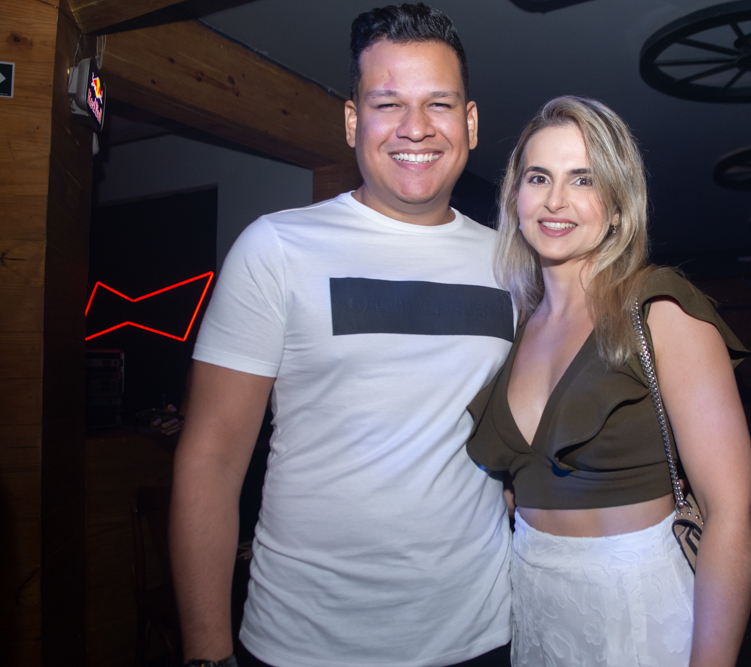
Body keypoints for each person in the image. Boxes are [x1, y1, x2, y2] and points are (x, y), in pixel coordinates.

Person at [169, 5, 515, 667]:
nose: (416, 127)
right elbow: (210, 460)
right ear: (354, 121)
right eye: (388, 104)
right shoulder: (275, 248)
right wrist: (207, 653)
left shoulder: (514, 266)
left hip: (480, 636)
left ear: (469, 123)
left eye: (438, 104)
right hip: (304, 642)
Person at [466, 96, 751, 667]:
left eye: (583, 179)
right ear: (515, 197)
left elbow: (731, 512)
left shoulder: (659, 308)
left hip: (638, 609)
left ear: (619, 206)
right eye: (539, 177)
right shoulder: (519, 325)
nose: (555, 200)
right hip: (535, 604)